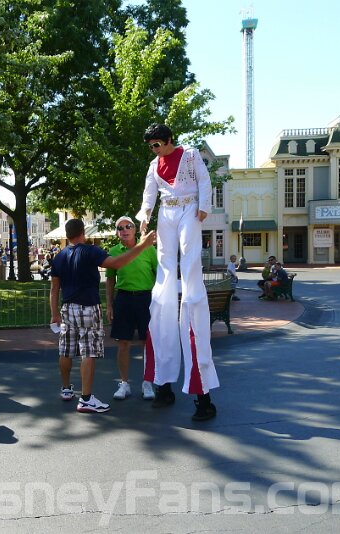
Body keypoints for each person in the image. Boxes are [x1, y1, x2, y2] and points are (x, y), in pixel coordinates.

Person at [137, 123, 219, 421]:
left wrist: (204, 206)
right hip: (167, 211)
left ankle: (191, 291)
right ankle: (164, 384)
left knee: (190, 256)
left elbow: (205, 181)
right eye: (152, 146)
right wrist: (145, 215)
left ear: (169, 140)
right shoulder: (154, 165)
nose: (155, 149)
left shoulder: (191, 155)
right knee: (165, 268)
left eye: (157, 144)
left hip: (189, 208)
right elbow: (149, 194)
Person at [50, 218, 156, 413]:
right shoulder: (91, 251)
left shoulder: (59, 257)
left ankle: (66, 389)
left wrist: (54, 313)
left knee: (65, 350)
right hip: (88, 307)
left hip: (67, 308)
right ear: (83, 233)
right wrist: (143, 245)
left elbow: (54, 289)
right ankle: (86, 399)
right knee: (88, 352)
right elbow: (117, 263)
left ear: (67, 235)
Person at [105, 216, 158, 401]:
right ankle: (124, 383)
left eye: (128, 226)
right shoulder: (113, 252)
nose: (125, 230)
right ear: (117, 233)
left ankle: (147, 382)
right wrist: (109, 304)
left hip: (146, 299)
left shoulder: (149, 249)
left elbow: (159, 274)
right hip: (124, 298)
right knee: (123, 343)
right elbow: (110, 280)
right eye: (120, 228)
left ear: (135, 229)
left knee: (147, 342)